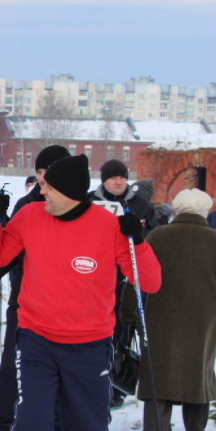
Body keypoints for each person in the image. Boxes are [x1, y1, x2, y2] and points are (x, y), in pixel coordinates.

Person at [0, 154, 161, 431]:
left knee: (88, 426)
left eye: (47, 185)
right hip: (37, 339)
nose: (39, 187)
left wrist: (138, 241)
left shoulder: (107, 226)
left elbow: (150, 282)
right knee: (32, 422)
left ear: (67, 192)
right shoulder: (29, 217)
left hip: (91, 343)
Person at [0, 145, 70, 431]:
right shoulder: (27, 204)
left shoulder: (77, 207)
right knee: (10, 367)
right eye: (39, 175)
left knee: (60, 375)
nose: (42, 182)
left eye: (47, 175)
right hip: (25, 302)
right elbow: (5, 254)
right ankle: (5, 427)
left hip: (64, 307)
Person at [120, 189, 216, 431]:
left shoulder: (158, 235)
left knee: (159, 371)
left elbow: (137, 273)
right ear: (205, 211)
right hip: (206, 317)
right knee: (199, 370)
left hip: (160, 314)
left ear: (176, 209)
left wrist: (128, 312)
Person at [91, 159, 158, 409]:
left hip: (126, 278)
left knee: (121, 330)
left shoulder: (140, 204)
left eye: (122, 177)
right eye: (113, 177)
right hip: (94, 275)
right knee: (96, 330)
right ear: (104, 180)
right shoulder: (90, 201)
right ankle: (93, 379)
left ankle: (117, 383)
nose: (118, 181)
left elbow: (154, 234)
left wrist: (139, 238)